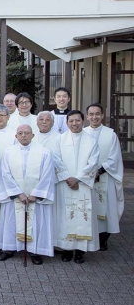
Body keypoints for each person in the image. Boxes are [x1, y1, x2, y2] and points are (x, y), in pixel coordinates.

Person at [0, 124, 56, 265]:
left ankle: (34, 251)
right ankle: (9, 249)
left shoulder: (44, 152)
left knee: (35, 223)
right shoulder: (8, 152)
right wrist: (18, 193)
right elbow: (5, 174)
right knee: (11, 222)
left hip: (34, 198)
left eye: (27, 133)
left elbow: (48, 175)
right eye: (20, 133)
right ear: (16, 136)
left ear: (33, 135)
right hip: (16, 198)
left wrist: (35, 194)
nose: (23, 135)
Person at [52, 110, 100, 263]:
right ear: (67, 123)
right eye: (71, 121)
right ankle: (66, 249)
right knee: (65, 216)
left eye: (77, 120)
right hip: (65, 184)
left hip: (83, 185)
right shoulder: (60, 139)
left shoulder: (91, 141)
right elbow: (56, 159)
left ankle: (80, 251)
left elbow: (93, 163)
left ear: (83, 121)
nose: (74, 123)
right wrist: (68, 177)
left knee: (82, 215)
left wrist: (78, 179)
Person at [85, 103, 124, 251]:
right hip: (87, 177)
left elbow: (114, 158)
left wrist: (99, 171)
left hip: (105, 176)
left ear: (102, 115)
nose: (94, 117)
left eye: (97, 114)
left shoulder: (110, 134)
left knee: (107, 209)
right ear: (87, 116)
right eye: (91, 114)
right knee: (89, 207)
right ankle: (90, 236)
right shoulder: (83, 132)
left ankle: (103, 239)